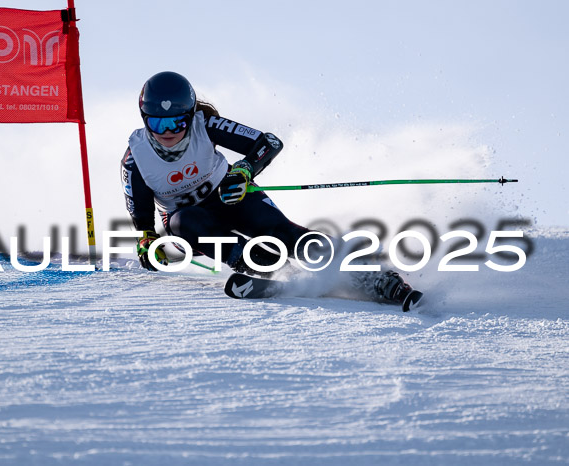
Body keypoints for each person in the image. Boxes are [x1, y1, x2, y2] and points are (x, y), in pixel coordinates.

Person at [120, 71, 414, 305]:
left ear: (190, 114)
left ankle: (374, 276)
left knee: (283, 234)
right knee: (186, 220)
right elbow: (143, 225)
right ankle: (267, 267)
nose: (169, 132)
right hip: (193, 225)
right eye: (158, 124)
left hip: (231, 196)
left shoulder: (205, 124)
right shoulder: (136, 159)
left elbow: (268, 143)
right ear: (145, 120)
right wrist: (148, 246)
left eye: (177, 121)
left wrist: (244, 170)